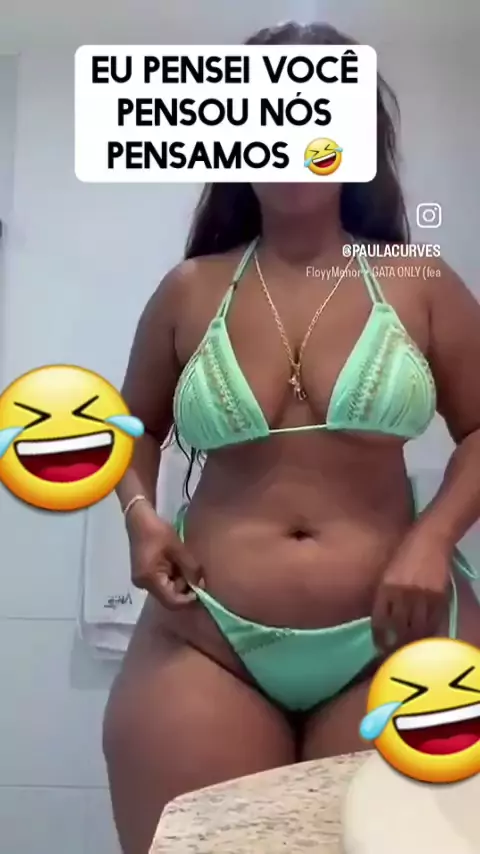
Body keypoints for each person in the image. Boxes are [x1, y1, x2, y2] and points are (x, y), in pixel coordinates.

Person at [103, 21, 480, 854]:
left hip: (398, 639)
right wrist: (139, 516)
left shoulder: (421, 283)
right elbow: (132, 429)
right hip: (206, 644)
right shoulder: (188, 289)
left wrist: (432, 537)